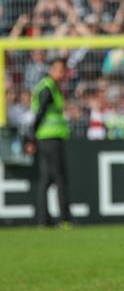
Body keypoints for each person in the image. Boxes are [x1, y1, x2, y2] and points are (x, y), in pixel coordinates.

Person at [26, 58, 71, 227]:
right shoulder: (48, 88)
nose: (62, 73)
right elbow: (40, 112)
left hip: (44, 138)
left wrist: (33, 137)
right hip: (51, 138)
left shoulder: (47, 86)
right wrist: (31, 136)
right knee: (60, 178)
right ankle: (64, 218)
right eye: (59, 70)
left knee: (45, 179)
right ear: (51, 69)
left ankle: (44, 219)